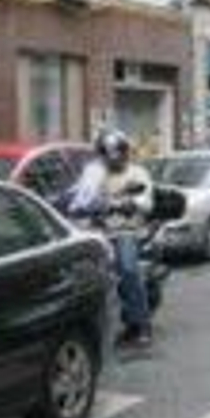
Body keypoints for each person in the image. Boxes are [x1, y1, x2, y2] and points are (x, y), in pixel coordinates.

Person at [68, 128, 155, 349]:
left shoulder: (137, 173)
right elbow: (80, 195)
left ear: (124, 152)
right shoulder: (96, 174)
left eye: (114, 152)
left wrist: (131, 203)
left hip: (127, 231)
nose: (110, 158)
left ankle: (141, 325)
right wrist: (69, 201)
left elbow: (146, 201)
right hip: (99, 232)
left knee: (127, 269)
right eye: (105, 153)